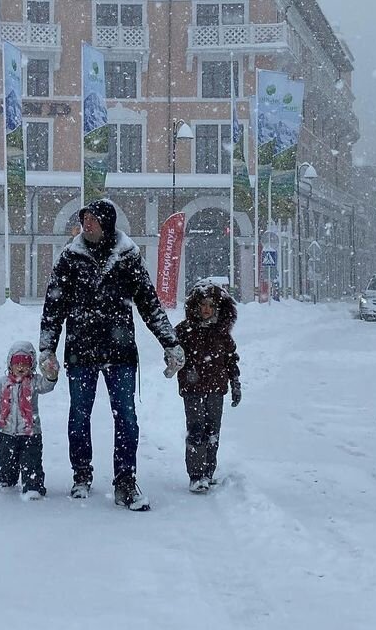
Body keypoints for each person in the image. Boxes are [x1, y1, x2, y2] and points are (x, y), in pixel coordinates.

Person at [39, 198, 185, 511]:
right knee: (79, 414)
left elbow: (149, 303)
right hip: (81, 351)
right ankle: (81, 473)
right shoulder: (70, 257)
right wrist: (47, 347)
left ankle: (126, 480)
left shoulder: (128, 256)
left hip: (120, 353)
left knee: (127, 417)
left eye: (91, 219)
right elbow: (54, 306)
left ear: (106, 223)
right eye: (84, 219)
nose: (86, 224)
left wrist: (170, 342)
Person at [173, 280, 241, 493]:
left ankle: (208, 472)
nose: (206, 309)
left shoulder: (222, 334)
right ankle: (196, 475)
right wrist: (173, 363)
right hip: (192, 390)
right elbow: (172, 352)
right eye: (203, 304)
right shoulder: (184, 331)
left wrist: (235, 383)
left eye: (211, 305)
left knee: (213, 431)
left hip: (216, 389)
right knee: (196, 430)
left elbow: (231, 359)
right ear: (195, 306)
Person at [0, 340, 57, 498]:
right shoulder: (4, 383)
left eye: (25, 363)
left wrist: (51, 375)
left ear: (32, 365)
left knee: (32, 462)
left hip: (30, 433)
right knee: (6, 460)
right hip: (7, 432)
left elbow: (47, 386)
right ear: (10, 364)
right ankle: (6, 481)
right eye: (17, 363)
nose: (21, 367)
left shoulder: (34, 381)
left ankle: (33, 486)